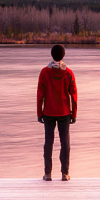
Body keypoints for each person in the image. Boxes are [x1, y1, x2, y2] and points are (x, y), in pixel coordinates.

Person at [37, 44, 77, 181]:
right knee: (65, 143)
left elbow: (40, 94)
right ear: (63, 56)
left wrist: (39, 112)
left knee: (48, 143)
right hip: (65, 112)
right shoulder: (69, 73)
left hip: (48, 112)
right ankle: (65, 174)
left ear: (51, 55)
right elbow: (73, 94)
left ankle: (48, 174)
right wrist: (74, 113)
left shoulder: (44, 72)